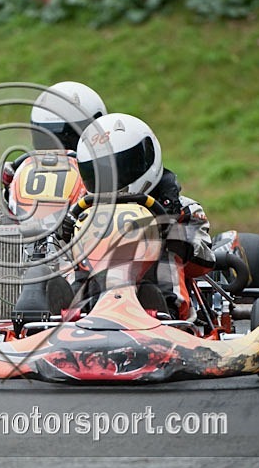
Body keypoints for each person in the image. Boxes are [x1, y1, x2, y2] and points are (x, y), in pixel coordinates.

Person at [74, 112, 216, 320]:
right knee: (64, 262)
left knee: (168, 253)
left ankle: (168, 310)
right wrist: (66, 235)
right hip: (94, 303)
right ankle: (68, 311)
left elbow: (205, 262)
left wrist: (174, 234)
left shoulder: (183, 208)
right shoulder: (82, 213)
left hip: (157, 306)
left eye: (122, 167)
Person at [1, 81, 107, 205]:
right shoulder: (22, 174)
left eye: (68, 139)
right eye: (47, 140)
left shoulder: (110, 176)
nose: (58, 151)